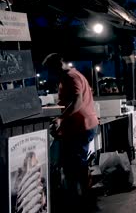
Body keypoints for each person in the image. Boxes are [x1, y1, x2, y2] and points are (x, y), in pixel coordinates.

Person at [42, 53, 99, 211]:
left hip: (81, 127)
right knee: (75, 165)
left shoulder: (71, 77)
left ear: (58, 65)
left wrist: (61, 117)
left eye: (51, 69)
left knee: (77, 166)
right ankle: (82, 199)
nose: (51, 73)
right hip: (80, 126)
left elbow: (77, 101)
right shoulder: (70, 76)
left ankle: (85, 202)